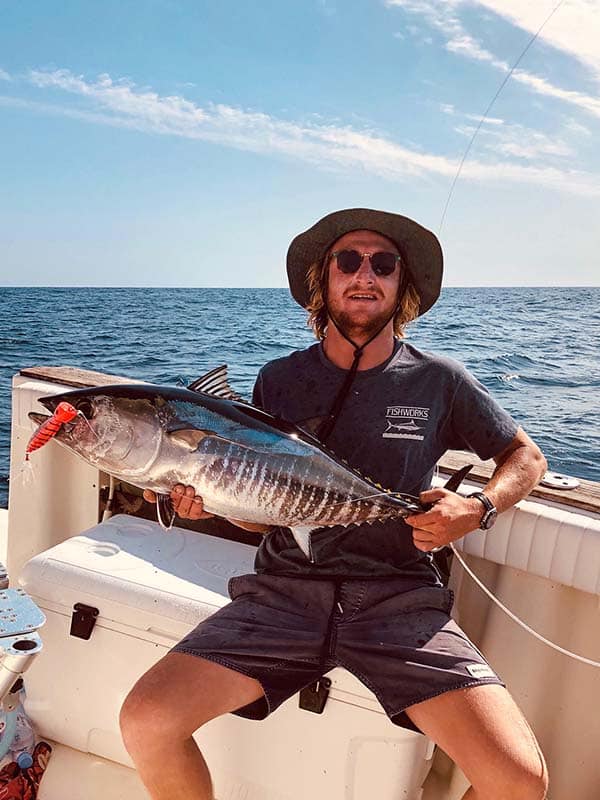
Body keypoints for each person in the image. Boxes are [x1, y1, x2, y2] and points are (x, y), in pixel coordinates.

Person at [120, 208, 549, 800]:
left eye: (384, 264)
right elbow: (262, 505)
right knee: (146, 720)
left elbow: (526, 459)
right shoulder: (280, 380)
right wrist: (213, 504)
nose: (364, 274)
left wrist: (476, 509)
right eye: (348, 261)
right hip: (284, 594)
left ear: (402, 286)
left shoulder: (440, 380)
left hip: (397, 598)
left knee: (520, 781)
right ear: (324, 281)